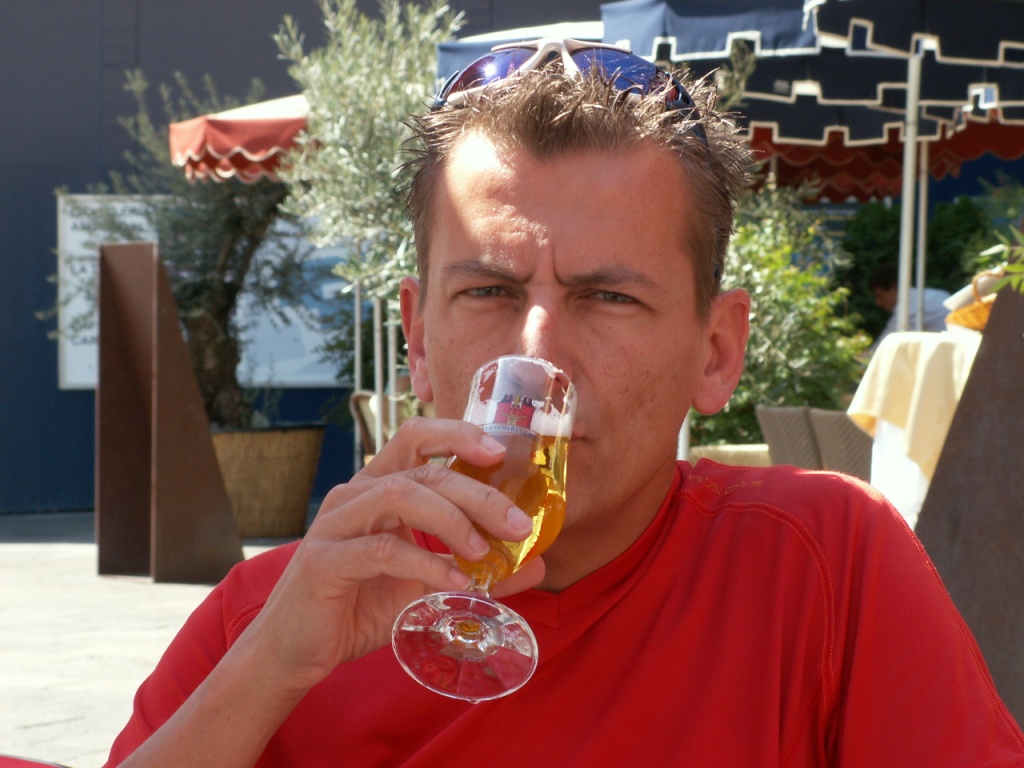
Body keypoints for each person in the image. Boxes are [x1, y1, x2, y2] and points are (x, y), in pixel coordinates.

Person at [105, 40, 1024, 766]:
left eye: (608, 297)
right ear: (418, 339)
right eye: (489, 291)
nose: (535, 354)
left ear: (716, 353)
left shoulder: (824, 568)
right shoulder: (279, 612)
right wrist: (271, 670)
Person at [869, 263, 952, 352]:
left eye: (880, 296)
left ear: (894, 288)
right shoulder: (938, 294)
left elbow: (880, 349)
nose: (878, 303)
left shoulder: (907, 311)